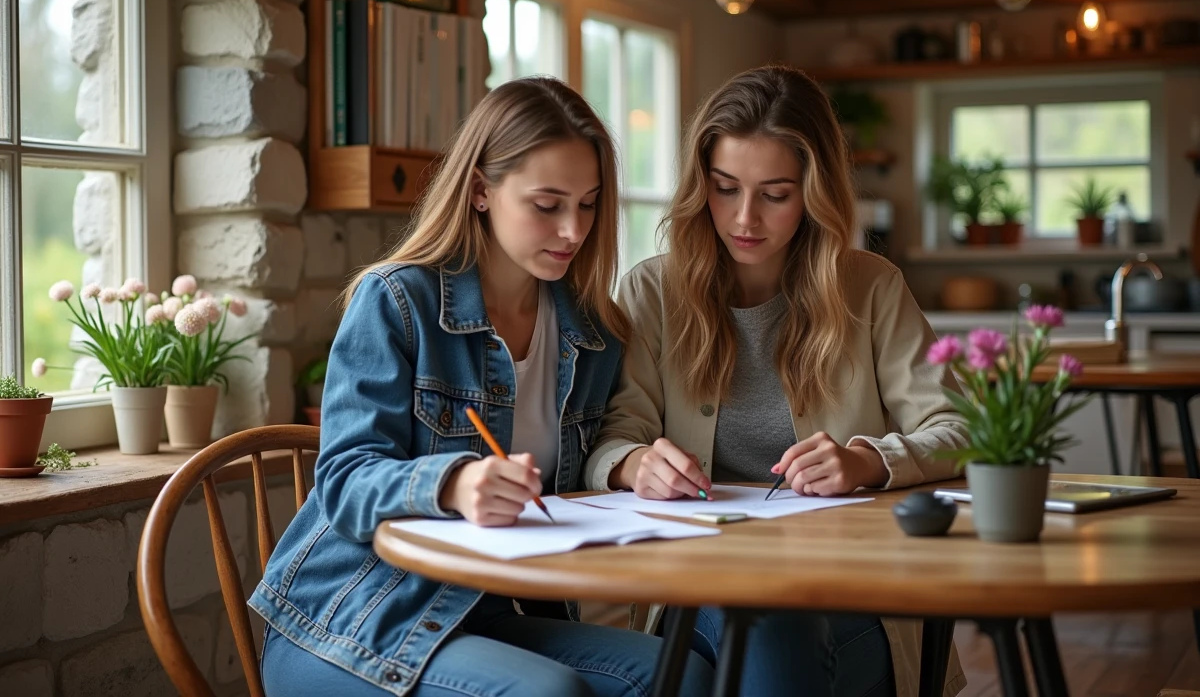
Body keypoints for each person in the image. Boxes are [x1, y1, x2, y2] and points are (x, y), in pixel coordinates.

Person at [250, 77, 713, 697]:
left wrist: (631, 465)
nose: (573, 230)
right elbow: (343, 481)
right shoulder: (398, 301)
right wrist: (455, 482)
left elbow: (595, 459)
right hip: (351, 617)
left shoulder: (594, 332)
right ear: (479, 191)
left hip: (484, 614)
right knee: (550, 695)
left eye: (589, 203)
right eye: (547, 205)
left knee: (682, 675)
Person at [584, 64, 968, 697]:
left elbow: (961, 427)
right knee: (748, 631)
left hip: (852, 587)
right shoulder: (651, 292)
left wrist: (867, 460)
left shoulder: (871, 287)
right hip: (700, 582)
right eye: (725, 187)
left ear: (814, 194)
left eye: (776, 193)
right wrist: (633, 465)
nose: (744, 217)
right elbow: (612, 436)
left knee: (731, 656)